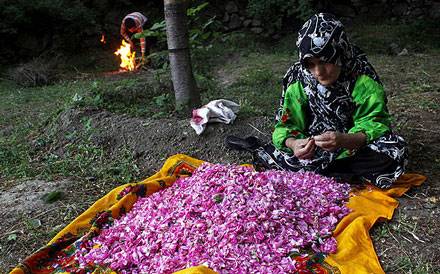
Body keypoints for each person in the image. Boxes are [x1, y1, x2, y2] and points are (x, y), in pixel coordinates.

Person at [227, 13, 407, 189]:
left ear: (340, 53)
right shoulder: (298, 80)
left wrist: (344, 139)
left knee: (392, 150)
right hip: (314, 150)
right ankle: (336, 173)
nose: (318, 72)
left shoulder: (362, 79)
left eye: (324, 61)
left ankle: (327, 172)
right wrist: (294, 144)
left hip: (353, 147)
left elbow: (374, 125)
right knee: (284, 153)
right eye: (310, 64)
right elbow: (286, 126)